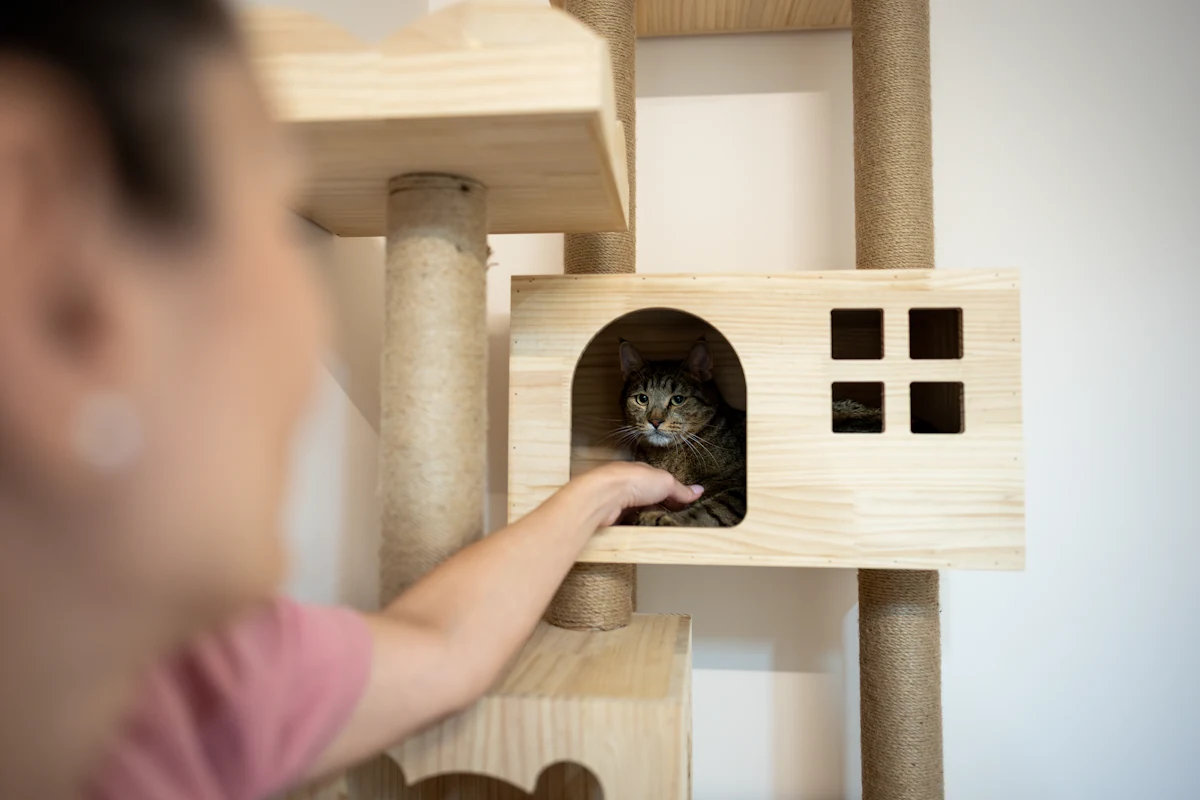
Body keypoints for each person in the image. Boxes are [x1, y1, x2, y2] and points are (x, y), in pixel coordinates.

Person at [0, 2, 703, 798]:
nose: (306, 315)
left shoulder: (205, 681)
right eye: (268, 213)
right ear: (53, 274)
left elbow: (437, 645)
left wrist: (602, 488)